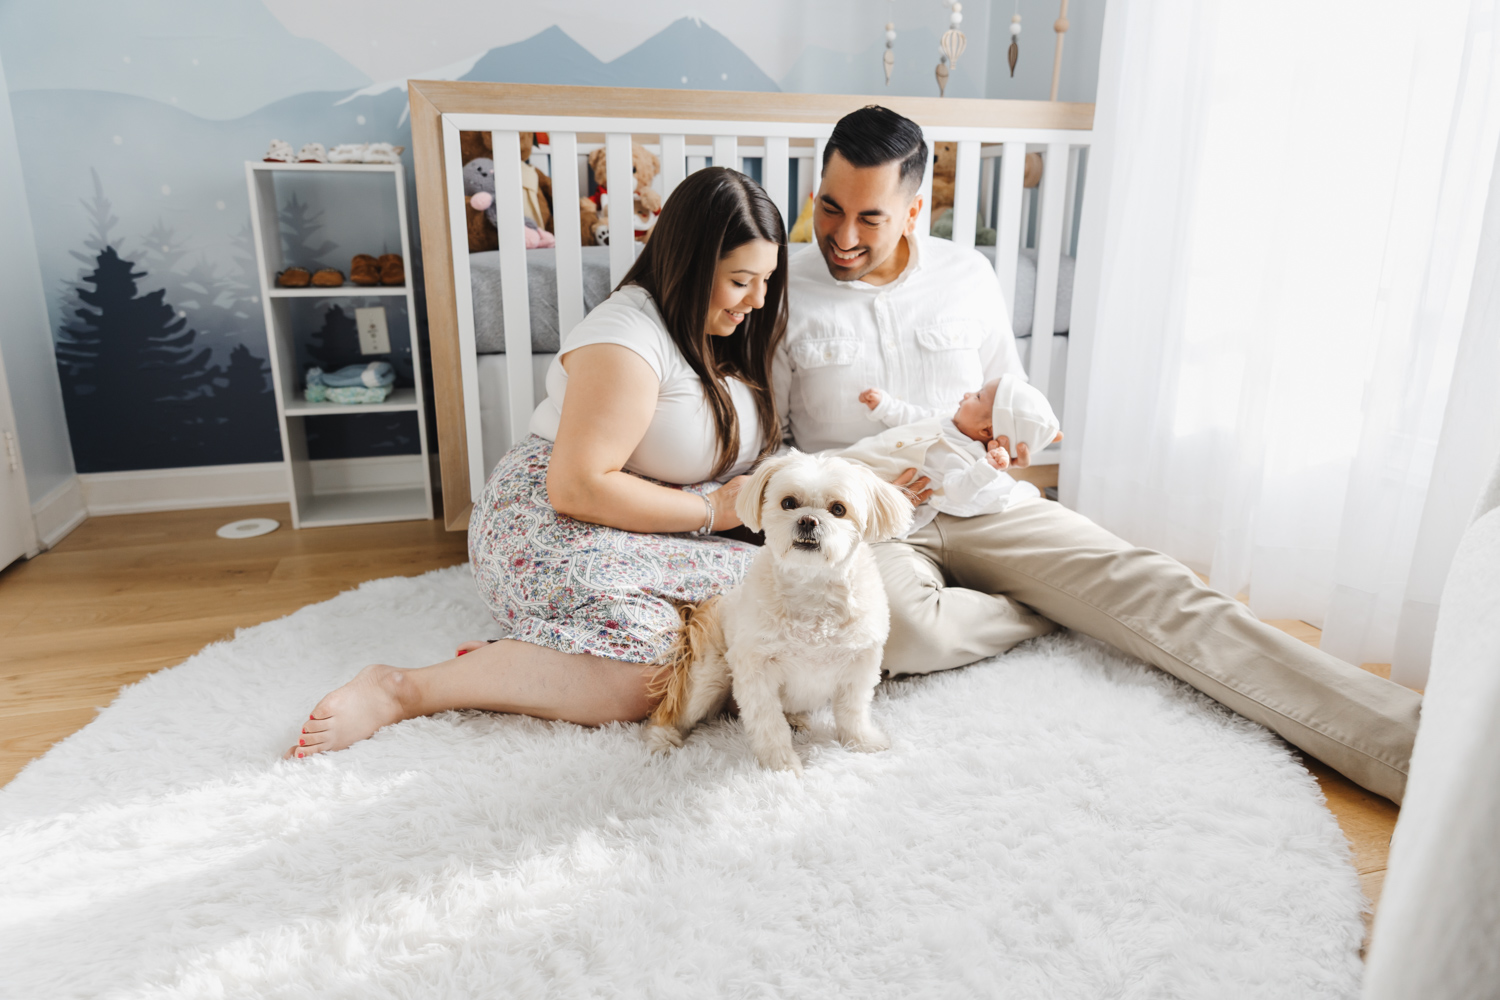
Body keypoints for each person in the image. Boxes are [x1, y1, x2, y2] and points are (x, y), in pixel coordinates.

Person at [775, 105, 1421, 803]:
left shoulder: (966, 275)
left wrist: (1007, 442)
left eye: (868, 218)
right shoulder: (779, 286)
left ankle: (1414, 748)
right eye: (829, 209)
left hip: (982, 499)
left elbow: (1009, 392)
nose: (841, 236)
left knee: (1158, 588)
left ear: (914, 210)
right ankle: (1042, 609)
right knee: (897, 636)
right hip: (869, 524)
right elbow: (771, 441)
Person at [287, 166, 786, 758]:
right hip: (551, 518)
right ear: (693, 264)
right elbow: (577, 486)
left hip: (648, 522)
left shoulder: (723, 331)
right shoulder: (627, 336)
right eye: (740, 281)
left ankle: (529, 659)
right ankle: (404, 689)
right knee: (656, 668)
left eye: (765, 281)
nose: (756, 300)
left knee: (773, 609)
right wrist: (711, 509)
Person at [828, 375, 1059, 538]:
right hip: (863, 453)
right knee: (825, 465)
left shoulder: (963, 456)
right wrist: (885, 406)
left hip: (873, 483)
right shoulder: (948, 418)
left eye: (978, 396)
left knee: (834, 490)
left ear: (987, 431)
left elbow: (957, 492)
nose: (968, 394)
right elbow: (914, 415)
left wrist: (985, 469)